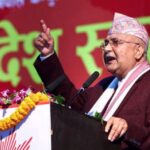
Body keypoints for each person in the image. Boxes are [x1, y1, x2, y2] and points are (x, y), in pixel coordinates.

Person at [34, 12, 150, 150]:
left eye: (116, 42)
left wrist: (128, 129)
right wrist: (48, 56)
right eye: (106, 43)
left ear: (138, 51)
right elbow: (71, 102)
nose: (106, 49)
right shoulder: (105, 86)